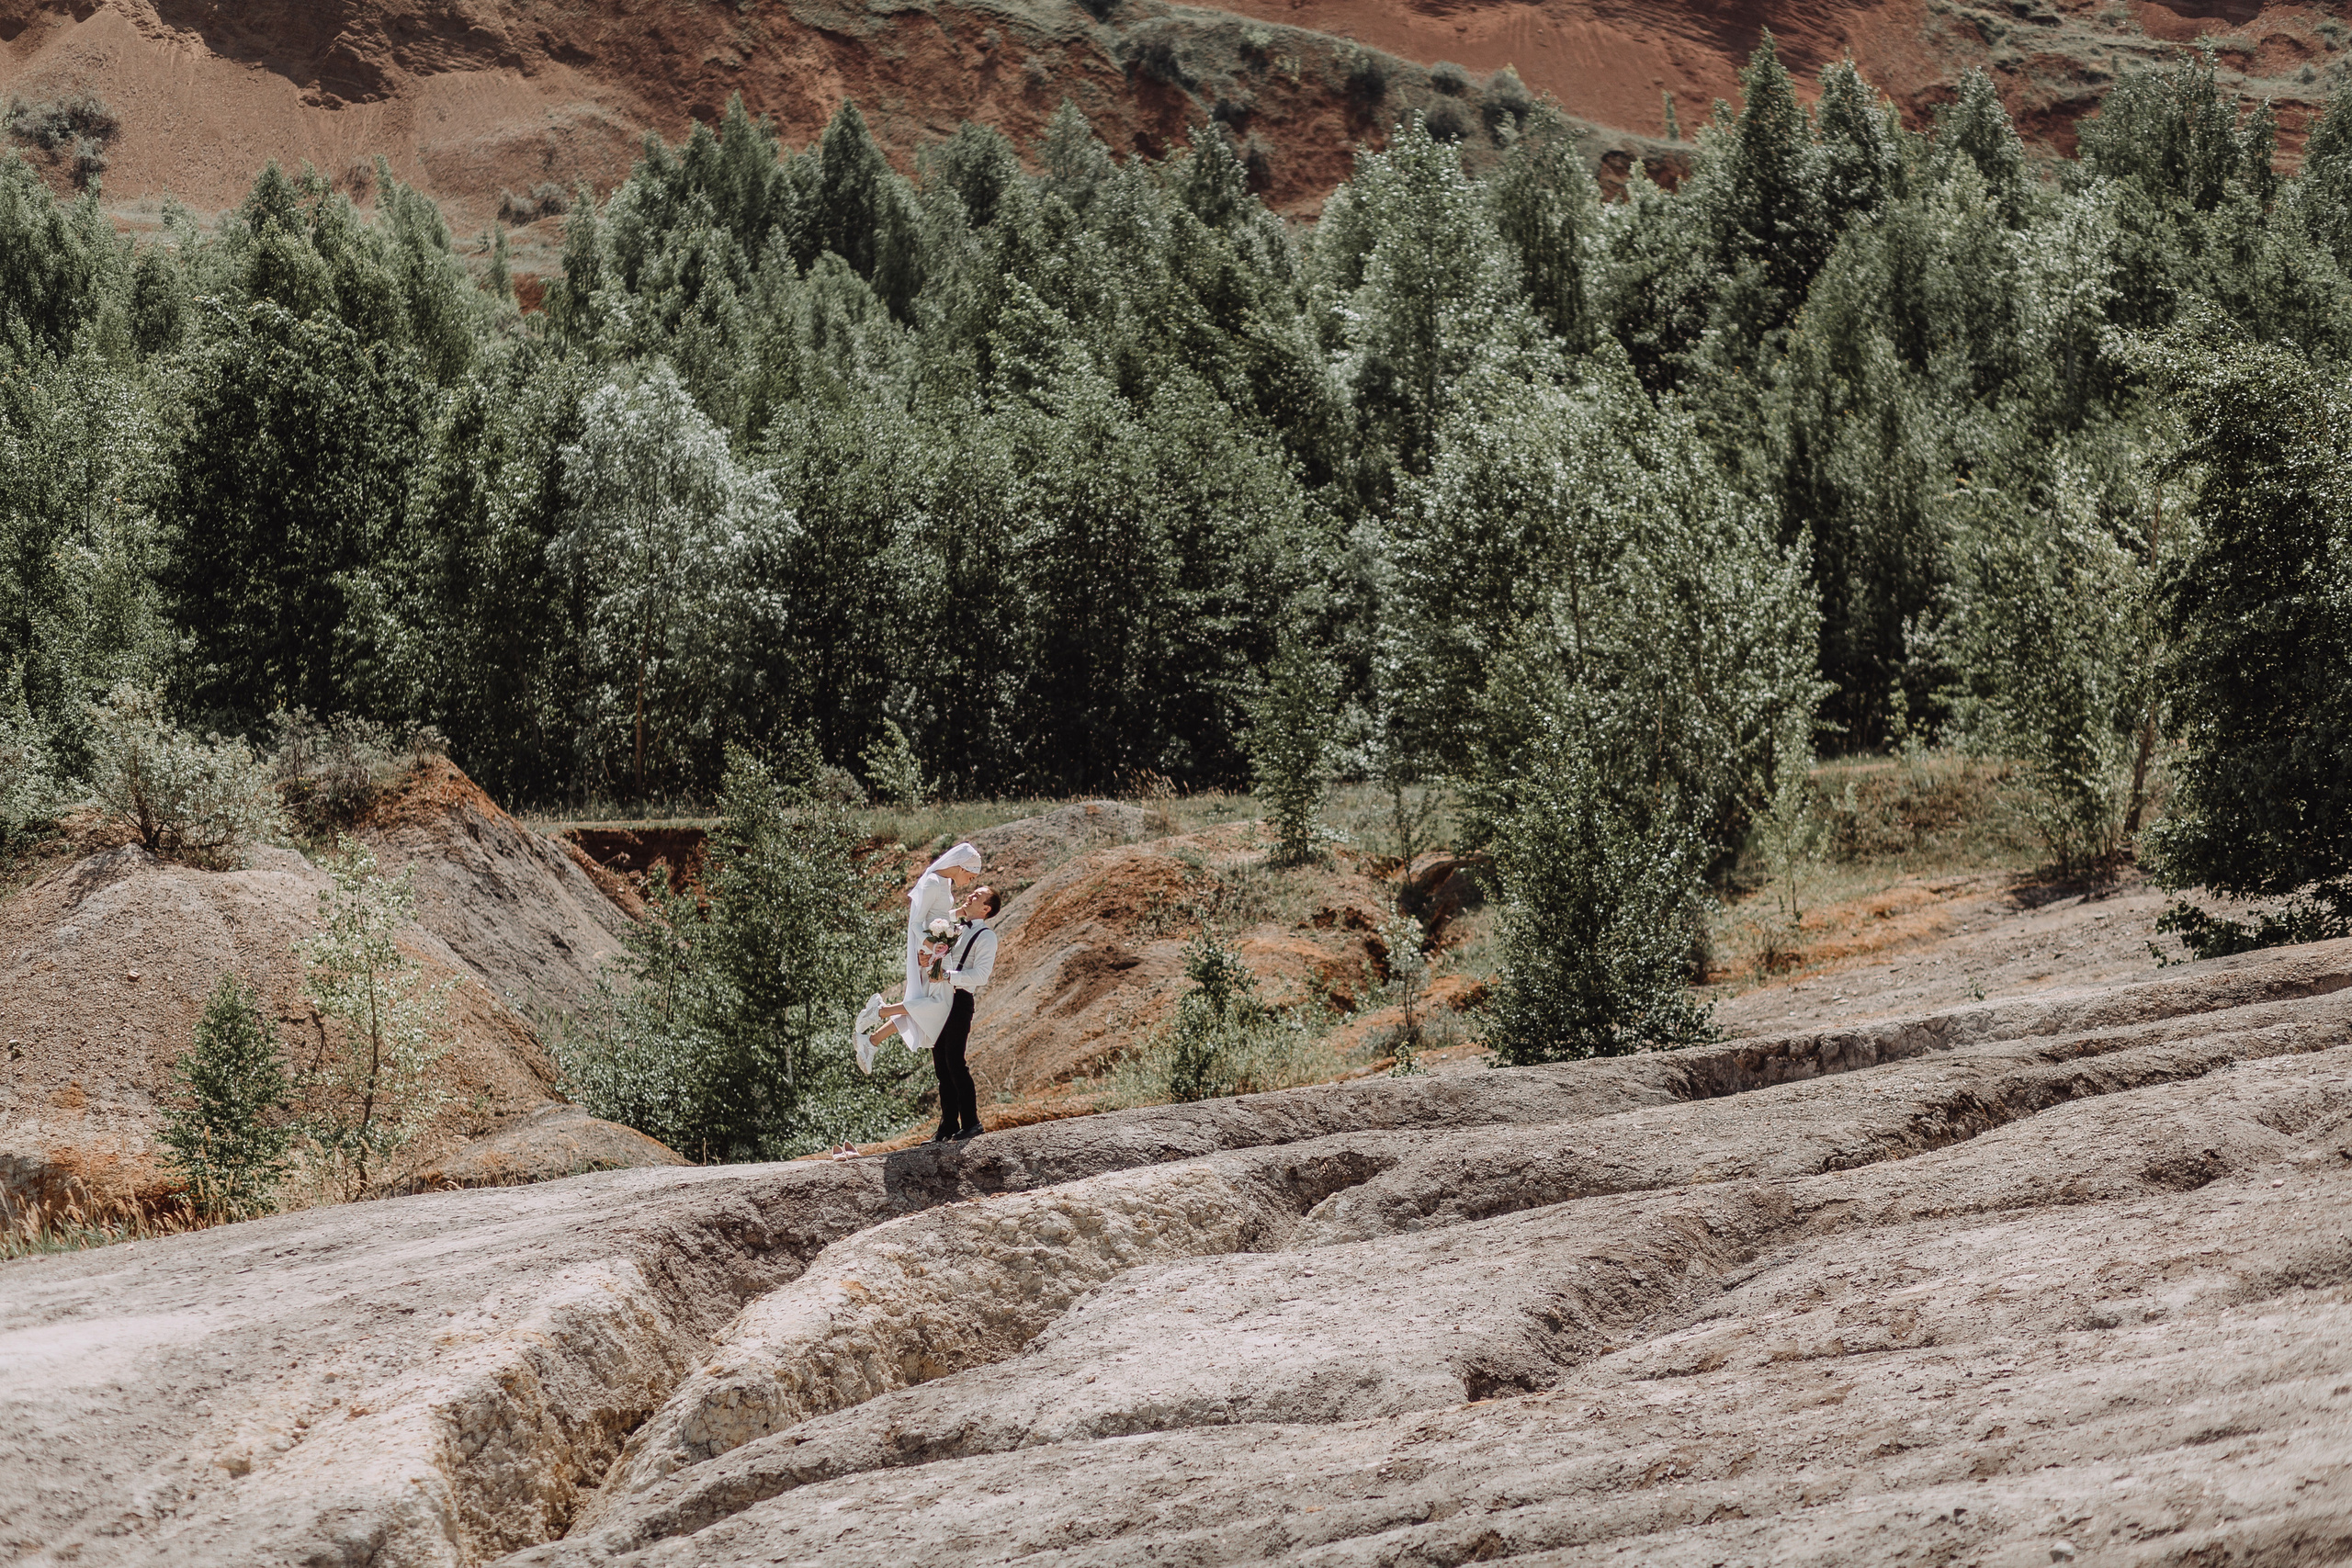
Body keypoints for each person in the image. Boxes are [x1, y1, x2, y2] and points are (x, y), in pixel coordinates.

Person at [927, 883, 1001, 1142]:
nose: (971, 895)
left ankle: (971, 1122)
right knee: (940, 1065)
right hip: (941, 999)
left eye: (977, 896)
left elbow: (981, 975)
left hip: (960, 1000)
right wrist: (958, 911)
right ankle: (947, 1126)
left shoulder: (986, 936)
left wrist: (947, 975)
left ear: (986, 908)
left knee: (955, 1062)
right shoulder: (956, 928)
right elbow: (934, 922)